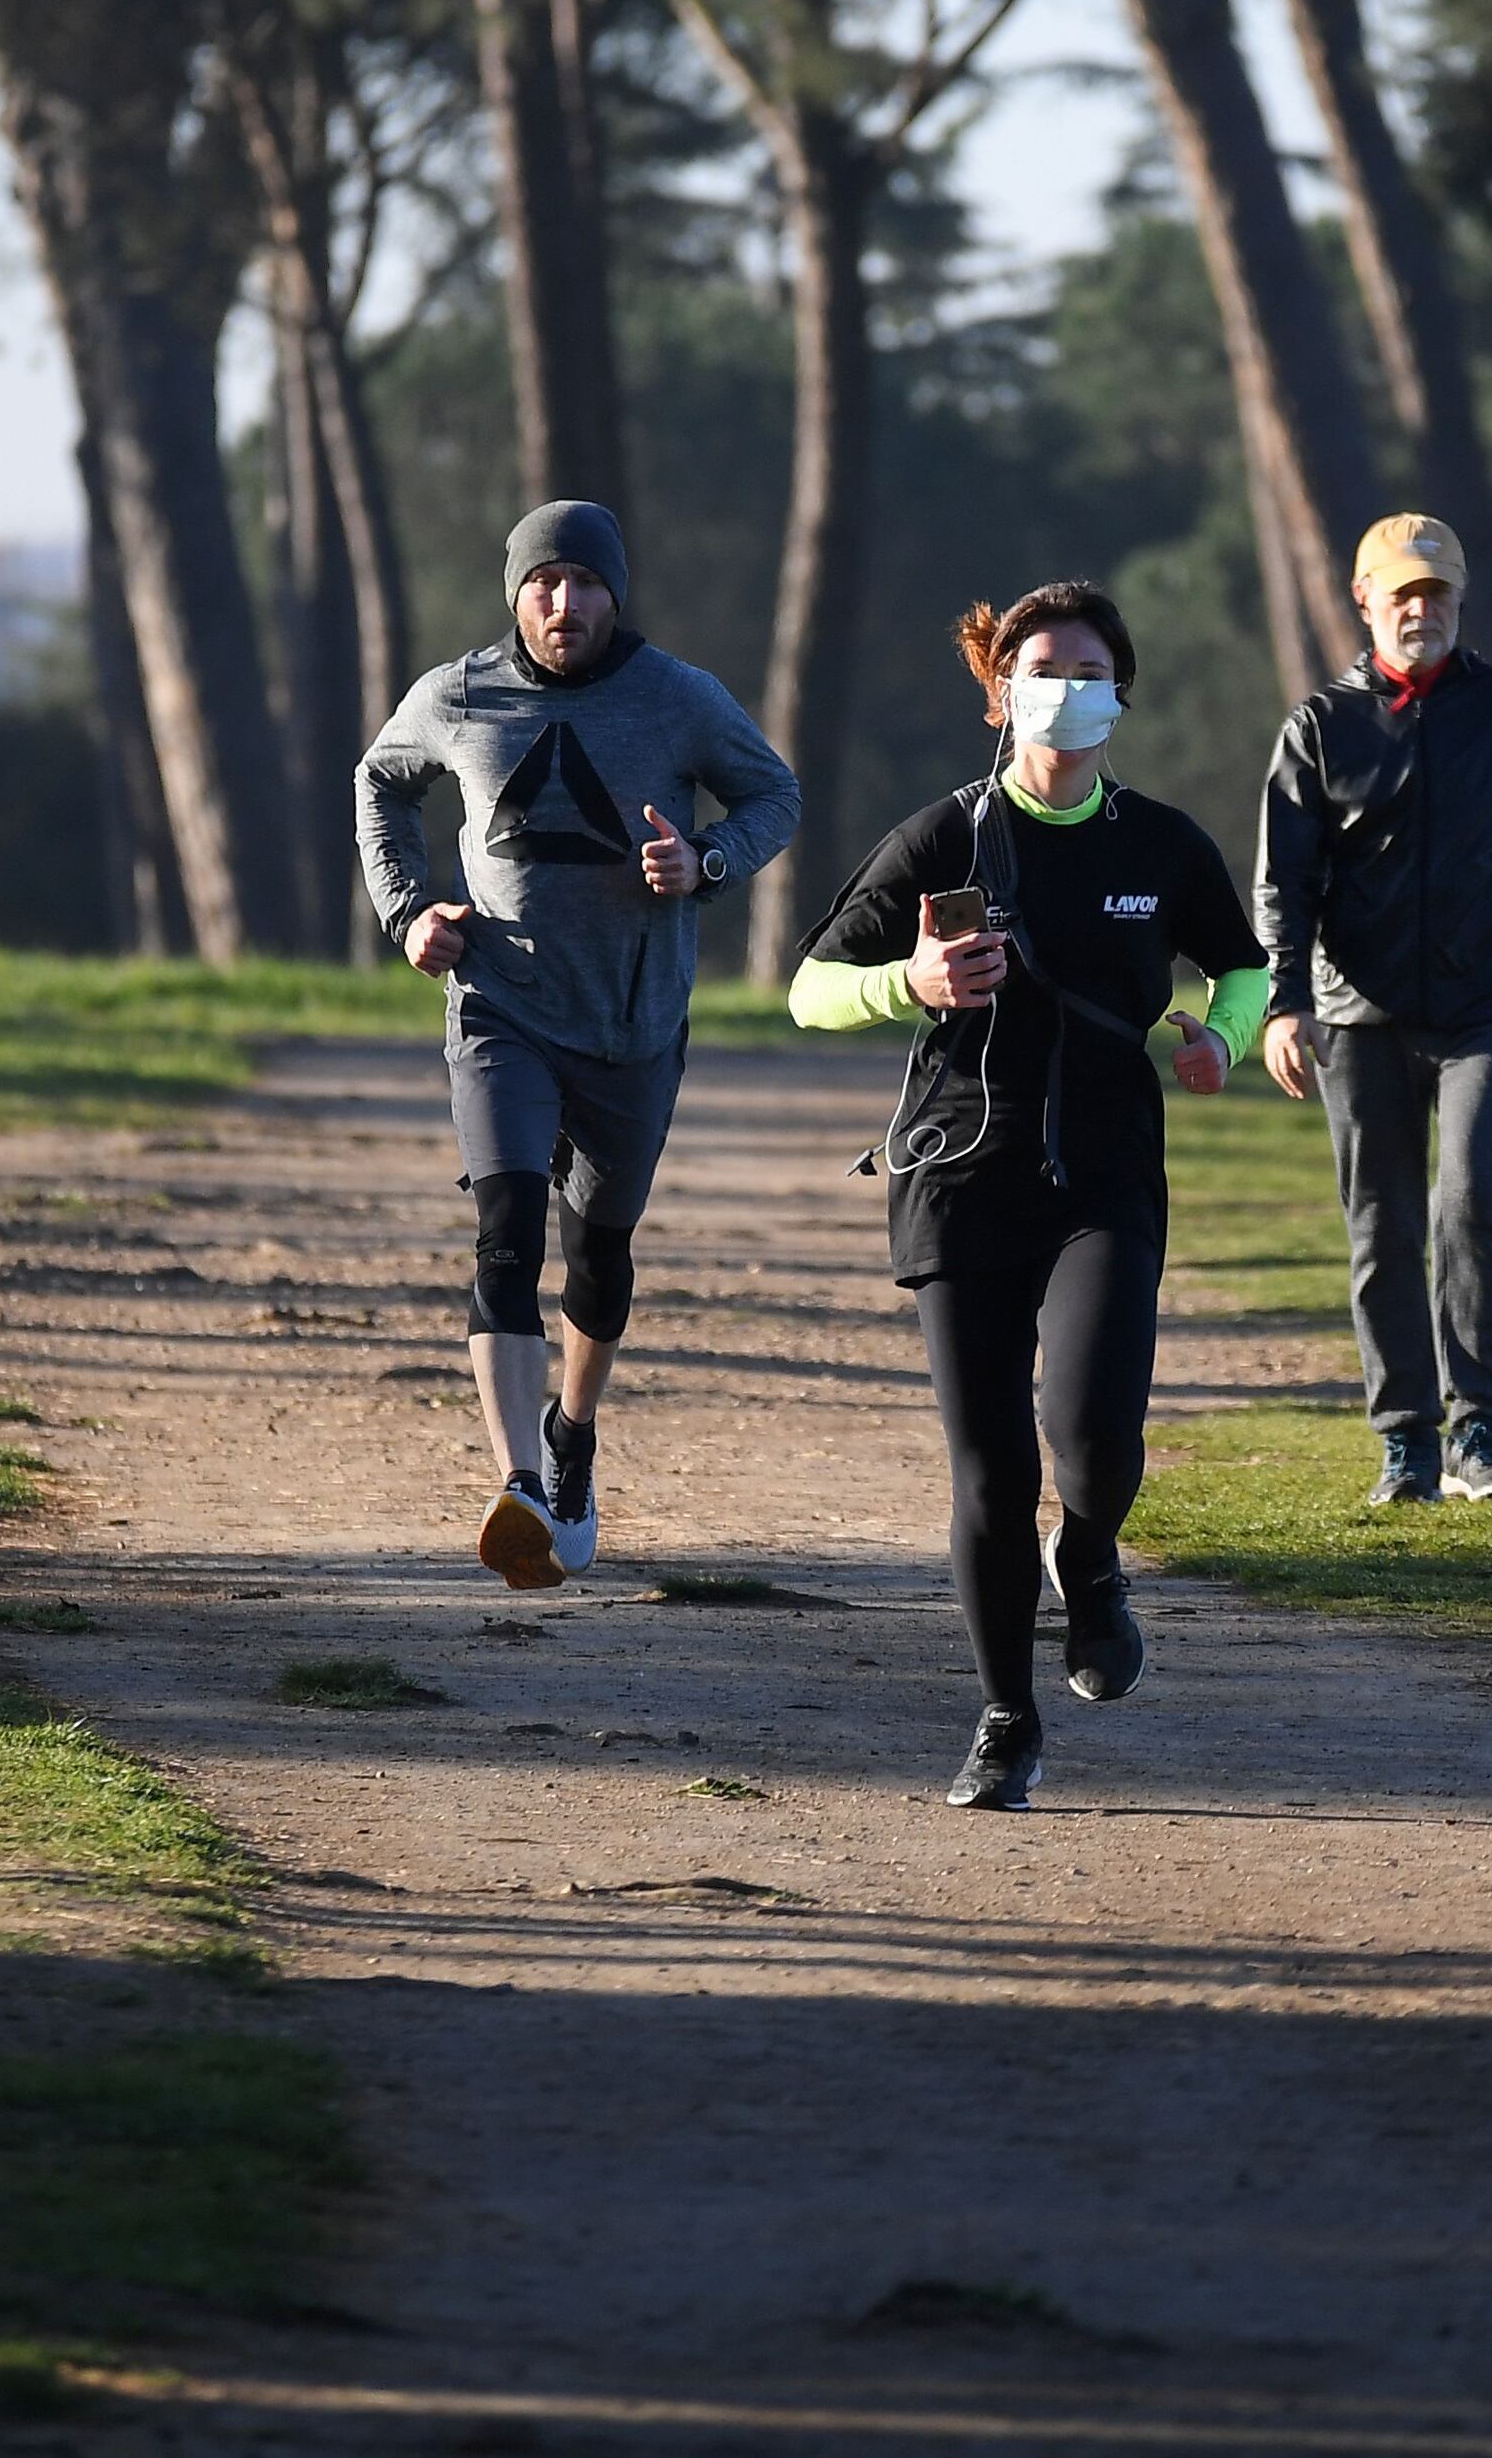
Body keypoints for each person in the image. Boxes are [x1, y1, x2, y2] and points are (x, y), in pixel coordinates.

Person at [790, 581, 1269, 1809]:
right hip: (957, 1177)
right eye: (1038, 667)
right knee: (991, 1470)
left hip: (1105, 1176)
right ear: (998, 693)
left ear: (1120, 692)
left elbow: (1244, 968)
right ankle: (1005, 1719)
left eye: (1087, 667)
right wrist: (911, 981)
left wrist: (1218, 1034)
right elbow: (809, 989)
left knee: (1094, 1438)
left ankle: (1093, 1555)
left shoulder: (1159, 844)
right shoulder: (939, 840)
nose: (1063, 687)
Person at [357, 501, 801, 1589]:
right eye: (543, 583)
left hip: (630, 1023)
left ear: (615, 594)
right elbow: (379, 778)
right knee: (505, 1232)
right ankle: (514, 1486)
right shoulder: (457, 694)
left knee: (596, 1250)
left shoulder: (678, 698)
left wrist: (706, 862)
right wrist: (409, 909)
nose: (564, 603)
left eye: (585, 584)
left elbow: (773, 793)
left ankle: (569, 1436)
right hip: (500, 1004)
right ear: (514, 593)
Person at [1253, 512, 1492, 1510]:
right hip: (1358, 1017)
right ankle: (1403, 1438)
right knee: (1380, 1224)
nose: (1420, 609)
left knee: (1470, 1200)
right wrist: (1283, 1006)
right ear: (1363, 600)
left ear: (1459, 602)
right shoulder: (1318, 728)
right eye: (1401, 593)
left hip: (1491, 1008)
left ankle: (1476, 1430)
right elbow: (1284, 886)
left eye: (1437, 592)